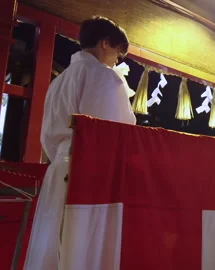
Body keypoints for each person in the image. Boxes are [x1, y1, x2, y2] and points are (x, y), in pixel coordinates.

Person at [24, 16, 136, 270]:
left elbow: (48, 137)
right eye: (117, 53)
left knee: (55, 245)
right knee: (88, 249)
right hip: (91, 172)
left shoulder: (58, 82)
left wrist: (65, 156)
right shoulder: (105, 77)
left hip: (59, 169)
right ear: (105, 43)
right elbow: (117, 134)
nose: (116, 61)